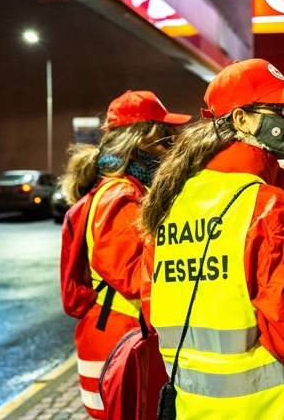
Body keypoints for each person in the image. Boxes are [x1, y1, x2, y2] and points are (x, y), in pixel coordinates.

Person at [138, 58, 284, 419]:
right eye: (280, 108)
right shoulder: (266, 206)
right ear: (241, 119)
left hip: (192, 409)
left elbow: (155, 310)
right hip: (268, 410)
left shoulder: (170, 202)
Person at [60, 90, 191, 418]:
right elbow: (135, 278)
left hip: (122, 340)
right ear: (141, 142)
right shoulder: (120, 196)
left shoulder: (127, 191)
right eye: (165, 137)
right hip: (120, 347)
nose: (172, 146)